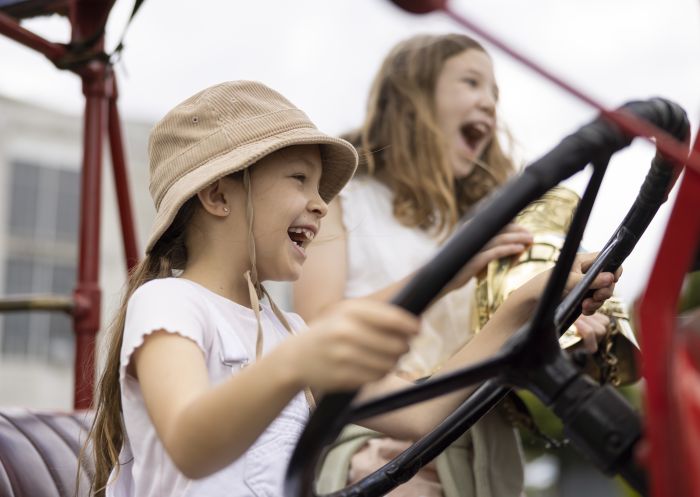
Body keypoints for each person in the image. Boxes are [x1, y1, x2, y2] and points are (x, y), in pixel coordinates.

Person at [84, 80, 617, 497]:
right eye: (299, 179)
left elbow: (419, 412)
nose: (320, 204)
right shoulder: (170, 302)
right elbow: (190, 443)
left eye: (321, 189)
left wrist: (522, 309)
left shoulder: (287, 331)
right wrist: (297, 362)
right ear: (218, 195)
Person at [293, 34, 611, 497]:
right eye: (471, 83)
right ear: (411, 97)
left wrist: (568, 336)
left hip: (479, 440)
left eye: (495, 94)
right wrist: (443, 275)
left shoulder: (488, 223)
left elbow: (500, 334)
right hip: (375, 435)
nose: (488, 103)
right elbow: (314, 324)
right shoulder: (344, 201)